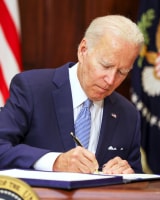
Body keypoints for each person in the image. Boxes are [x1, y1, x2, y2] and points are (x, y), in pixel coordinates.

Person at [0, 15, 144, 174]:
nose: (111, 80)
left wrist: (128, 176)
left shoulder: (128, 114)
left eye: (122, 72)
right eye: (105, 65)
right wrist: (54, 162)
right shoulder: (32, 89)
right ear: (83, 50)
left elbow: (139, 181)